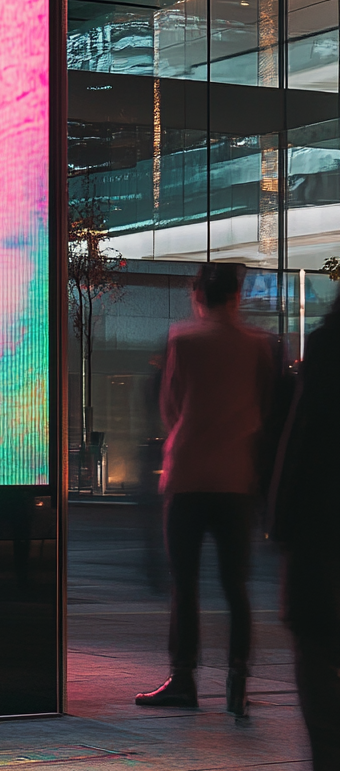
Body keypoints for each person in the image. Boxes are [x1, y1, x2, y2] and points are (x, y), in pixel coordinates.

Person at [136, 263, 274, 716]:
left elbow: (171, 405)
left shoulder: (183, 340)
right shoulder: (259, 345)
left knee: (185, 584)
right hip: (236, 480)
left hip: (189, 476)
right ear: (237, 295)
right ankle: (237, 677)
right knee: (237, 585)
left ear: (199, 296)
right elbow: (267, 409)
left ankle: (183, 678)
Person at [270, 287, 340, 771]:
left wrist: (282, 521)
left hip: (326, 520)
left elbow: (302, 435)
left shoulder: (327, 345)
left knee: (315, 642)